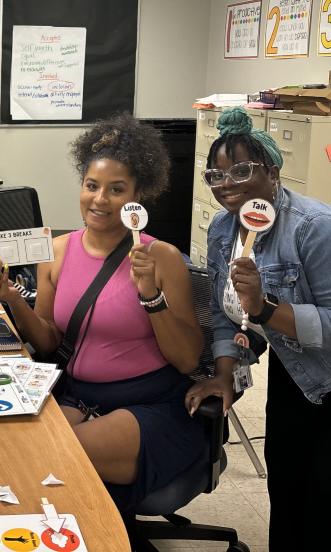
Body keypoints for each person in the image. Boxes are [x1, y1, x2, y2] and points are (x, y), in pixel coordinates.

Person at [0, 113, 205, 510]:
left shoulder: (161, 257)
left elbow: (186, 358)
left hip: (148, 405)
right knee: (7, 451)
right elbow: (49, 341)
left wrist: (151, 296)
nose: (100, 200)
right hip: (77, 395)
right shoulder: (59, 250)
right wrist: (12, 299)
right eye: (92, 186)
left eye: (117, 190)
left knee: (44, 456)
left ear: (138, 198)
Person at [184, 107, 331, 551]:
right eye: (216, 175)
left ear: (272, 170)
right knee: (285, 488)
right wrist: (225, 375)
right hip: (294, 373)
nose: (227, 184)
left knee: (322, 500)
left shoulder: (313, 227)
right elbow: (225, 313)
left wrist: (266, 308)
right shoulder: (225, 228)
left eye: (242, 170)